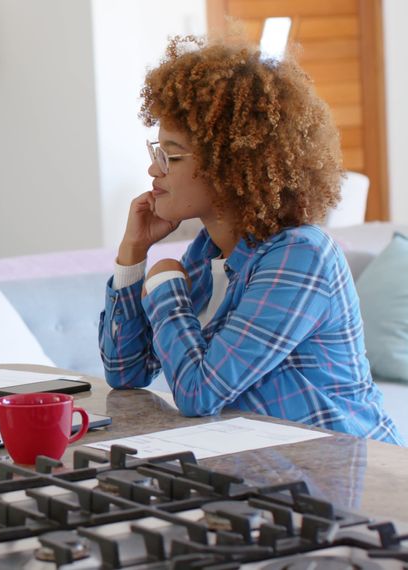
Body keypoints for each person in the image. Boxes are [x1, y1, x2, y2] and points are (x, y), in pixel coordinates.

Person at [98, 35, 403, 444]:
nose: (154, 170)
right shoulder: (207, 252)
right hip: (272, 477)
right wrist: (132, 255)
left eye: (170, 155)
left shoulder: (302, 256)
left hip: (355, 480)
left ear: (228, 165)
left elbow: (199, 393)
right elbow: (127, 373)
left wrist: (166, 283)